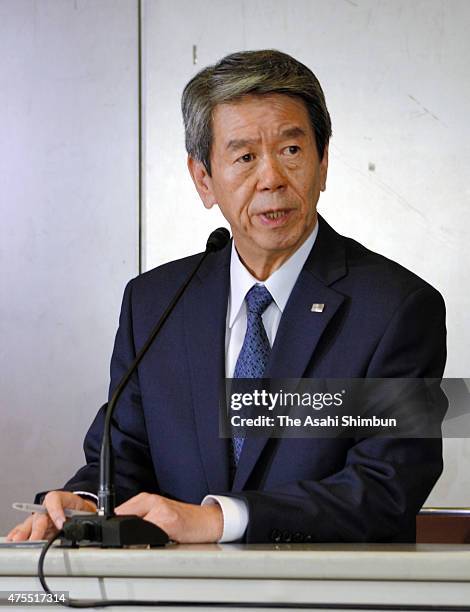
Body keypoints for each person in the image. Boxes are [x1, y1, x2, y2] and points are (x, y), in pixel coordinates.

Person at [8, 49, 447, 545]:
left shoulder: (396, 308)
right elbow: (124, 456)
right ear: (203, 179)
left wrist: (221, 520)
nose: (271, 179)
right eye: (244, 157)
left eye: (291, 150)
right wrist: (86, 504)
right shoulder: (154, 305)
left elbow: (386, 488)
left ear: (323, 163)